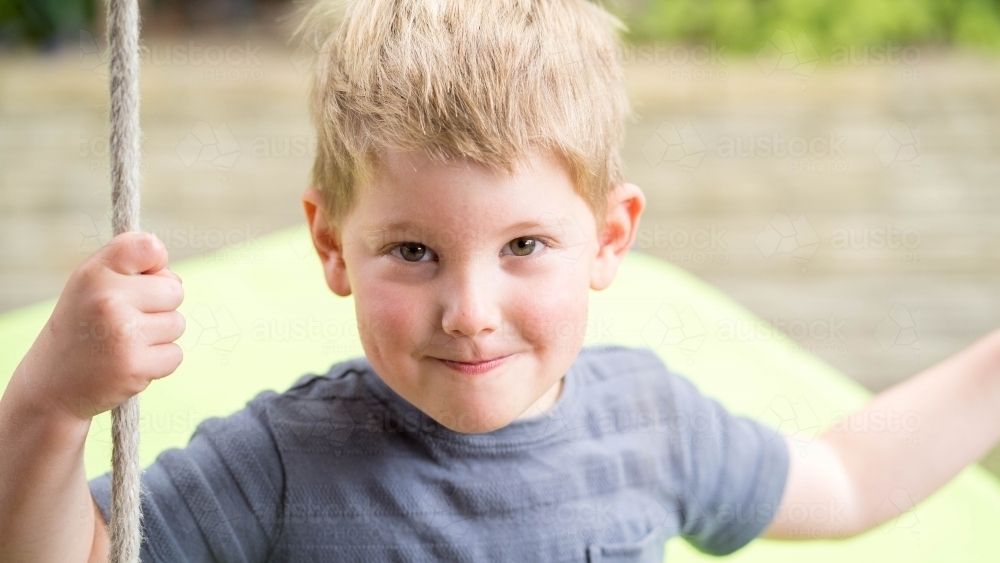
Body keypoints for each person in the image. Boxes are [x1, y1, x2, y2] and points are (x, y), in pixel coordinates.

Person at [3, 0, 1000, 561]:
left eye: (523, 245)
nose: (471, 313)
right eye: (413, 250)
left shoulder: (647, 423)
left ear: (610, 237)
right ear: (332, 243)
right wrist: (49, 399)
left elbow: (848, 476)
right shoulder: (281, 461)